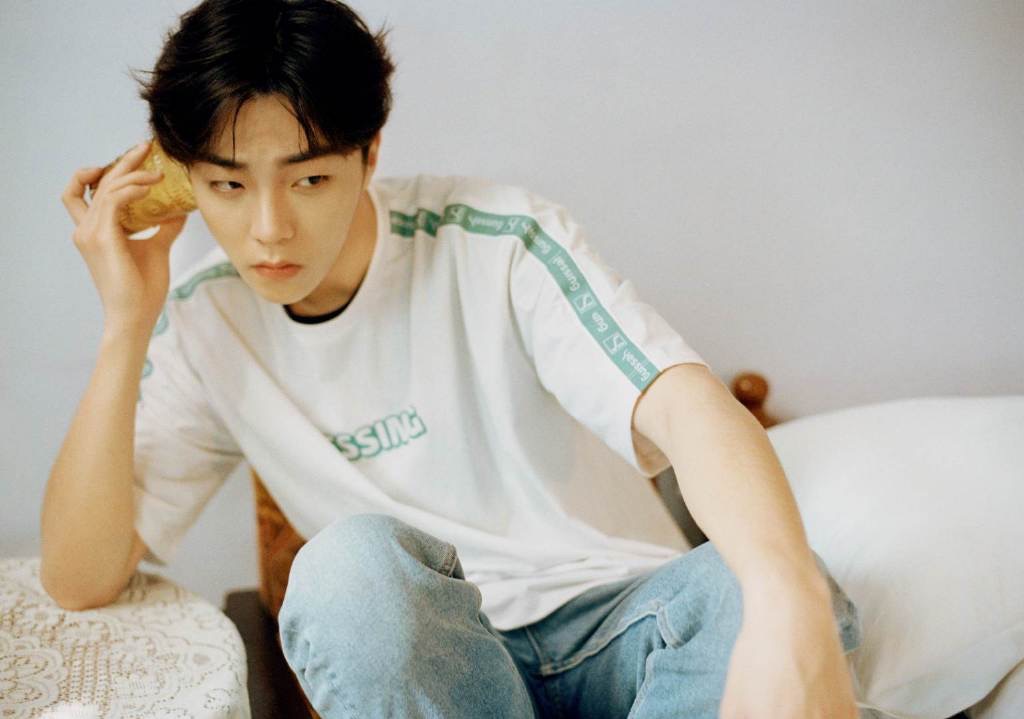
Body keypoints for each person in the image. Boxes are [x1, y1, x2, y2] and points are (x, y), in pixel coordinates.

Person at [43, 1, 864, 717]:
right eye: (228, 185)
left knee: (764, 581)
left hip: (621, 628)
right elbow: (80, 577)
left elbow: (685, 406)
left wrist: (786, 597)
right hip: (445, 674)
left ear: (370, 154)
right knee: (346, 572)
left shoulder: (496, 241)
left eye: (309, 179)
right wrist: (126, 321)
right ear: (183, 180)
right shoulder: (202, 320)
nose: (269, 229)